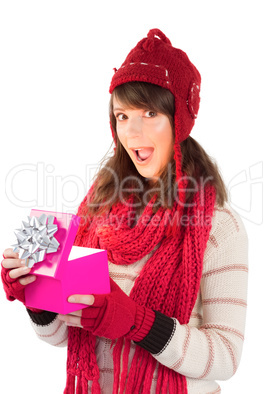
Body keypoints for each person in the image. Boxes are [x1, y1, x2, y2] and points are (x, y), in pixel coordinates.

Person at [1, 29, 248, 393]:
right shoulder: (96, 212)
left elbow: (227, 357)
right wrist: (37, 298)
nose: (132, 133)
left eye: (150, 113)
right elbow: (66, 337)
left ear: (178, 120)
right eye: (122, 116)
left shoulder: (218, 227)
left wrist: (139, 322)